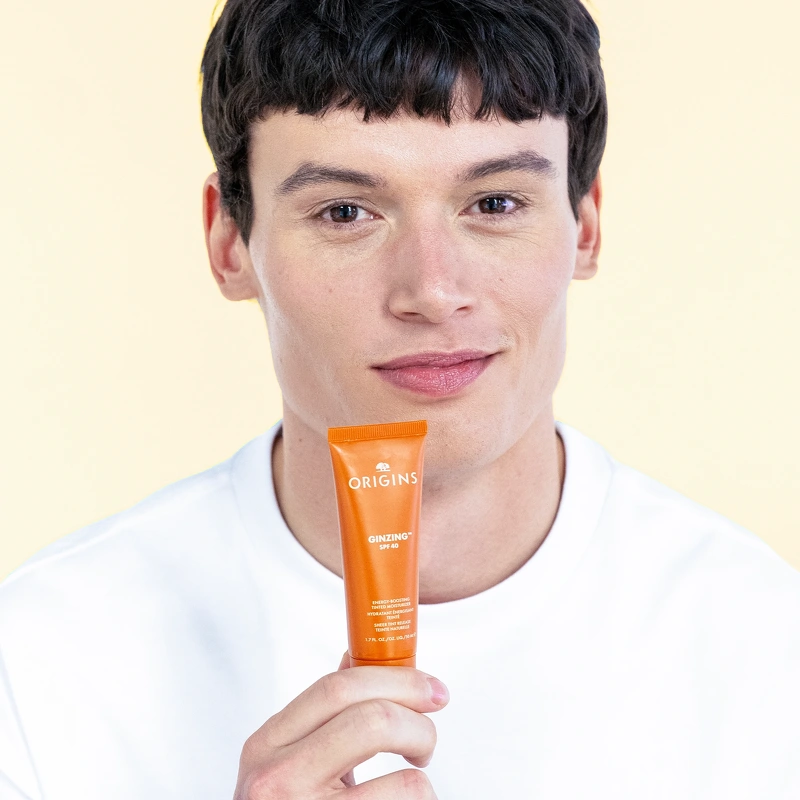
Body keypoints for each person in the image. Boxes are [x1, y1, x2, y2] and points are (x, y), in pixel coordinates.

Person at [2, 0, 799, 797]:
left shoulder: (764, 646)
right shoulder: (43, 660)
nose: (432, 290)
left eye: (496, 204)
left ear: (585, 224)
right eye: (345, 212)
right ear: (230, 243)